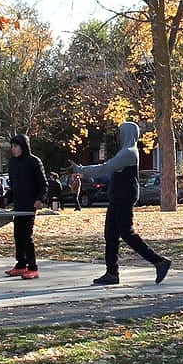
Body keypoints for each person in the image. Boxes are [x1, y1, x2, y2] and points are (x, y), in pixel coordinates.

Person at [74, 121, 171, 286]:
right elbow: (108, 171)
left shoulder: (128, 153)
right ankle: (112, 272)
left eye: (121, 132)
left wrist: (81, 169)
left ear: (127, 133)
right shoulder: (126, 152)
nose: (118, 136)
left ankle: (159, 261)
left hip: (123, 198)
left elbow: (105, 167)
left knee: (126, 233)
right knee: (110, 235)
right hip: (118, 197)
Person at [4, 133, 48, 280]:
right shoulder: (12, 163)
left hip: (30, 204)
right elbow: (14, 185)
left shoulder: (34, 162)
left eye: (15, 146)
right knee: (17, 234)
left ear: (23, 146)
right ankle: (21, 264)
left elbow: (43, 184)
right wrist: (8, 197)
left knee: (26, 235)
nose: (13, 149)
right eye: (12, 147)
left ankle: (33, 267)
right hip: (18, 204)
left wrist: (40, 199)